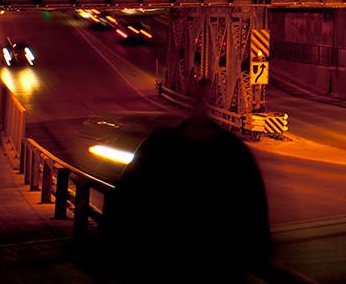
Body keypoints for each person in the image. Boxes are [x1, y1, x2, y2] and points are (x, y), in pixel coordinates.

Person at [100, 80, 270, 282]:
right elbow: (255, 216)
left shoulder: (159, 148)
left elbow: (124, 201)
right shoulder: (233, 153)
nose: (202, 104)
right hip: (220, 267)